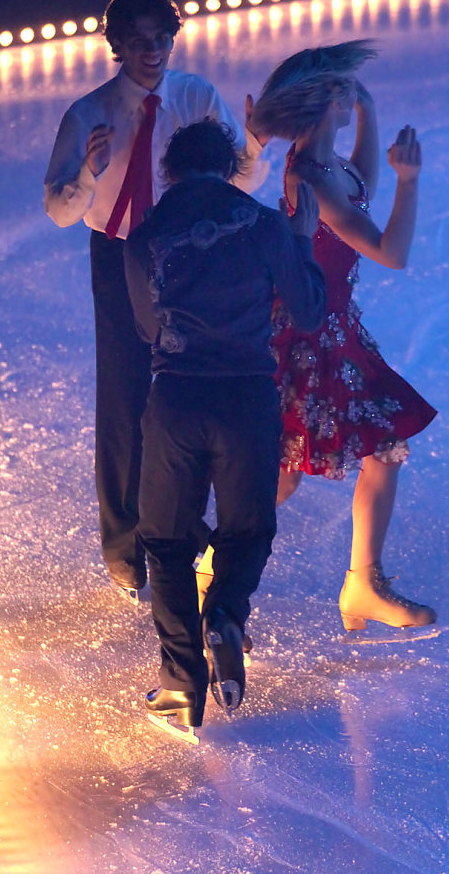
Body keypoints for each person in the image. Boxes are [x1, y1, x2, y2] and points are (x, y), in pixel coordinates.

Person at [197, 39, 438, 633]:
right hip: (307, 336)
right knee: (280, 473)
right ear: (328, 100)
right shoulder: (311, 175)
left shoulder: (326, 163)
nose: (350, 93)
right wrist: (412, 181)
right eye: (344, 89)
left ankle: (363, 584)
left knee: (381, 449)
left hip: (332, 330)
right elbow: (392, 252)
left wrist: (371, 116)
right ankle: (213, 565)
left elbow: (361, 184)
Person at [44, 0, 268, 598]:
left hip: (188, 255)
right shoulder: (89, 112)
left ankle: (177, 532)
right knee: (123, 396)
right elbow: (60, 210)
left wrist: (252, 144)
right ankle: (123, 544)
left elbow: (240, 179)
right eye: (140, 41)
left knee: (180, 392)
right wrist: (90, 171)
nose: (153, 51)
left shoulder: (195, 97)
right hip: (118, 255)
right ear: (118, 46)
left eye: (162, 39)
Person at [123, 119, 325, 737]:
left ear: (172, 173)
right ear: (230, 168)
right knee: (248, 528)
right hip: (246, 400)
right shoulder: (263, 224)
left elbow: (147, 329)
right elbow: (310, 309)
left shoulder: (146, 235)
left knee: (165, 543)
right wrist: (303, 239)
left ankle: (182, 684)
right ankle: (227, 614)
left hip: (178, 398)